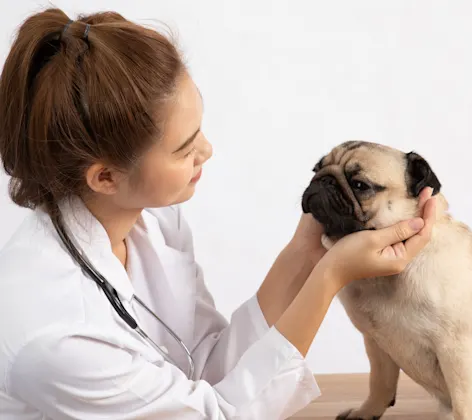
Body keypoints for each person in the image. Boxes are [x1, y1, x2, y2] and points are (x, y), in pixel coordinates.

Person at [0, 8, 436, 420]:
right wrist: (329, 277)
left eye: (199, 132)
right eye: (184, 148)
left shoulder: (151, 220)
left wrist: (307, 252)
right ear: (105, 177)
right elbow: (219, 414)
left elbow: (208, 363)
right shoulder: (57, 333)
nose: (207, 151)